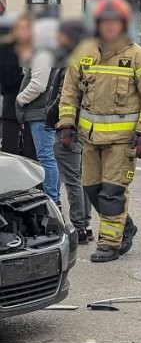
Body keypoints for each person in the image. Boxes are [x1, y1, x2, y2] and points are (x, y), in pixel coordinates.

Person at [57, 0, 141, 263]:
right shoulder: (84, 54)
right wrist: (66, 126)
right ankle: (125, 227)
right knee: (92, 190)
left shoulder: (137, 56)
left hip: (122, 142)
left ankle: (110, 244)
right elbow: (68, 93)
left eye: (115, 22)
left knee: (112, 192)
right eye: (105, 22)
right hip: (89, 139)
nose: (110, 27)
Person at [45, 19, 92, 244]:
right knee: (82, 179)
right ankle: (87, 225)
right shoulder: (89, 59)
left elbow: (65, 97)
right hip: (82, 128)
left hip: (68, 128)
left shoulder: (72, 63)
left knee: (73, 180)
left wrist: (49, 114)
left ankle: (79, 227)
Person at [16, 18, 61, 203]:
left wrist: (20, 99)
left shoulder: (43, 54)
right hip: (42, 112)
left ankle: (52, 198)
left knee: (46, 158)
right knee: (50, 157)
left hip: (39, 113)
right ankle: (54, 197)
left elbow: (38, 85)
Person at [0, 14, 31, 155]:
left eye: (27, 28)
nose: (24, 32)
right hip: (11, 109)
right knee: (10, 151)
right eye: (21, 28)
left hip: (33, 112)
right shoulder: (6, 50)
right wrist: (23, 73)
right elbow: (5, 81)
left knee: (32, 154)